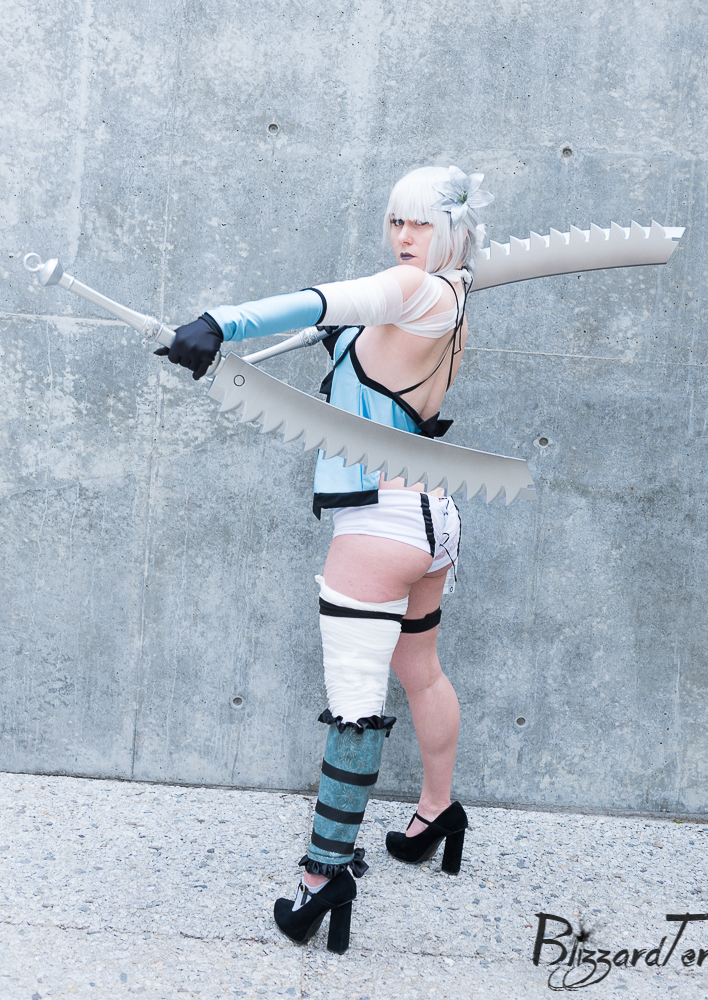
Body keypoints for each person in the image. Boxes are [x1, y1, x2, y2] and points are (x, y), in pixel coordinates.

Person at [159, 165, 494, 953]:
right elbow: (359, 348)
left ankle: (323, 875)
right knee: (420, 671)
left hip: (380, 524)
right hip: (431, 515)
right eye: (395, 221)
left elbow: (319, 300)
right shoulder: (451, 298)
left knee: (353, 702)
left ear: (452, 229)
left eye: (422, 223)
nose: (404, 237)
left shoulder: (411, 290)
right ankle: (436, 813)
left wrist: (217, 322)